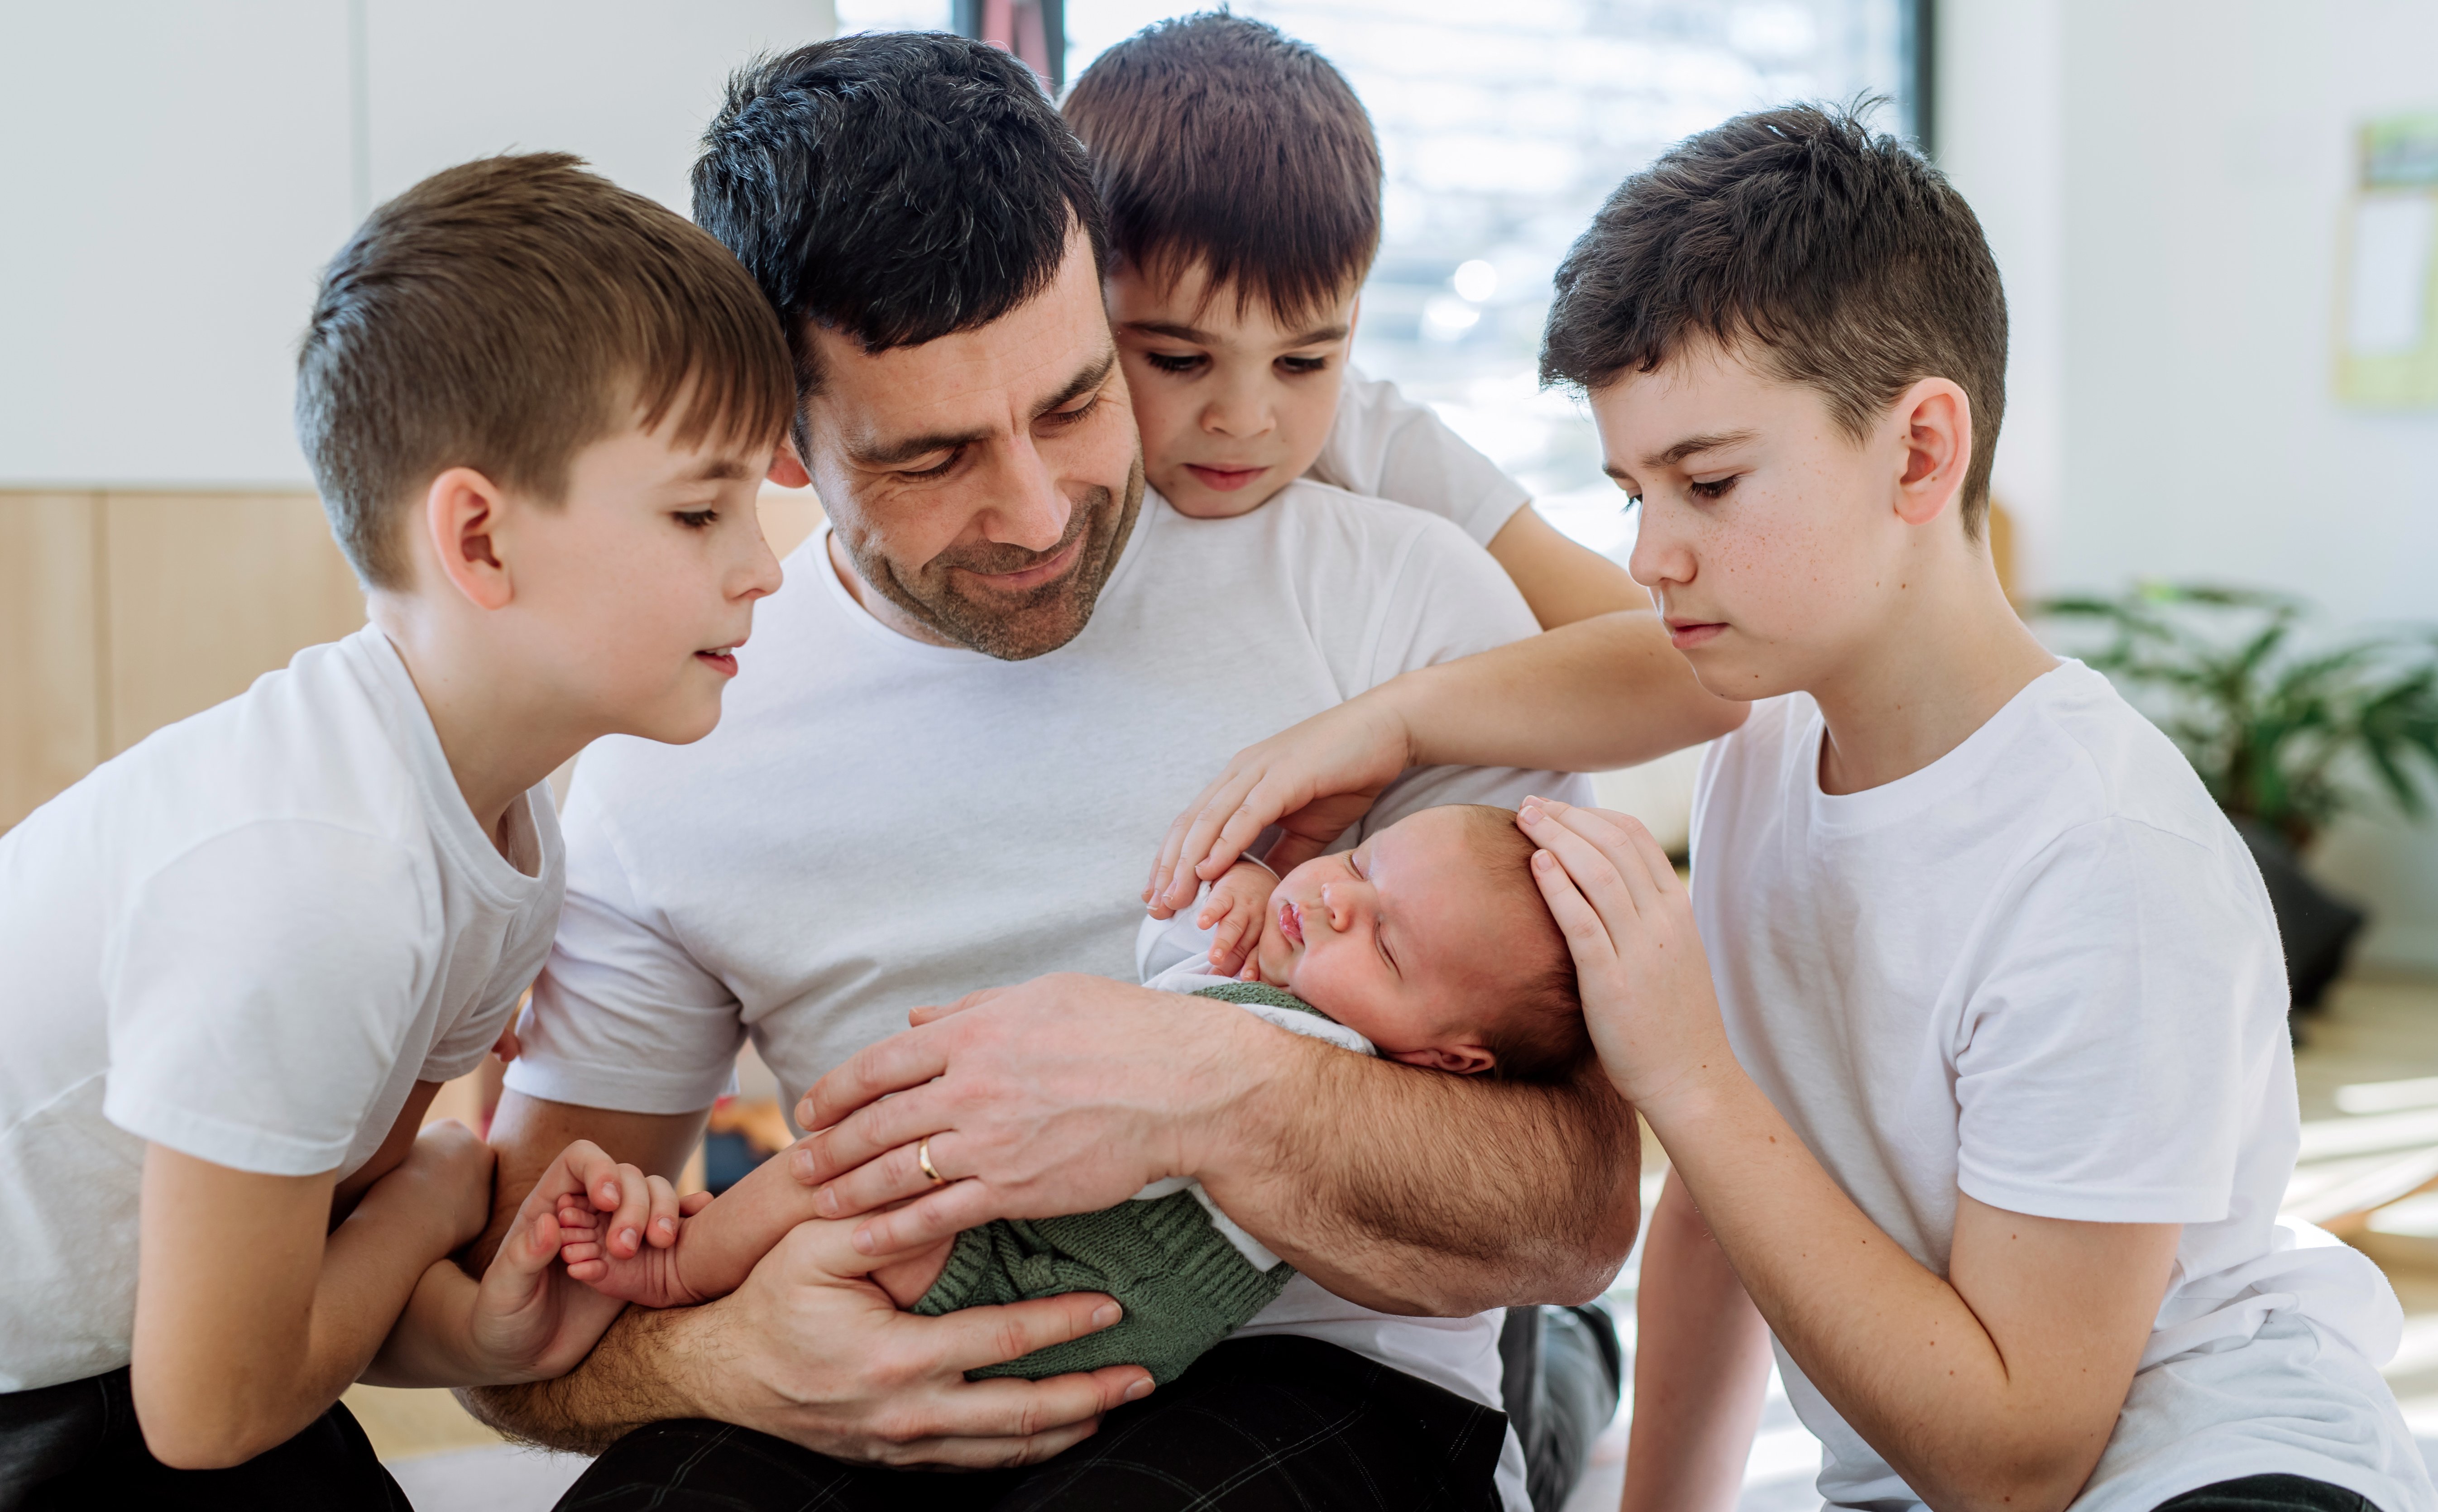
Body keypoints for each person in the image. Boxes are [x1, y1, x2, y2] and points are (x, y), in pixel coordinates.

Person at [459, 33, 1740, 1512]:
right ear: (779, 443)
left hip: (1318, 1379)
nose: (1035, 509)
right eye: (932, 458)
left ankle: (1563, 1374)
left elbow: (1575, 1217)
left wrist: (1202, 1088)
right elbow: (528, 1320)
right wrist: (721, 1366)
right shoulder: (670, 752)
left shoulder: (1394, 599)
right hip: (876, 1366)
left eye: (1075, 402)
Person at [1148, 105, 2437, 1512]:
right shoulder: (1771, 738)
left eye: (1706, 483)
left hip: (2211, 1470)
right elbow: (1719, 1207)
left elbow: (2017, 1461)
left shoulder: (2104, 867)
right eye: (1632, 490)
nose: (1650, 553)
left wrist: (1685, 1069)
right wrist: (1380, 724)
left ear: (1919, 453)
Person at [0, 153, 799, 1507]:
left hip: (130, 1375)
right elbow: (212, 1408)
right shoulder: (316, 879)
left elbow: (328, 1248)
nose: (763, 563)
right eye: (696, 510)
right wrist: (441, 1198)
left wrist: (476, 1317)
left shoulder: (500, 833)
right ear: (479, 541)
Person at [547, 805, 1589, 1389]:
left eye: (1385, 940)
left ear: (1450, 1060)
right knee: (850, 1193)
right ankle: (715, 1249)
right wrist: (1246, 897)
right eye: (1360, 860)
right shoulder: (1287, 980)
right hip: (1055, 1251)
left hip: (1083, 1294)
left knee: (849, 1187)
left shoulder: (1339, 1062)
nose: (1331, 898)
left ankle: (685, 1263)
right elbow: (1167, 954)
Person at [1063, 11, 1641, 632]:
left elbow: (1649, 648)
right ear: (1073, 312)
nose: (1242, 419)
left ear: (1351, 327)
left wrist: (1387, 724)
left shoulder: (1372, 434)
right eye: (1179, 360)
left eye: (1302, 362)